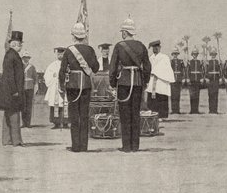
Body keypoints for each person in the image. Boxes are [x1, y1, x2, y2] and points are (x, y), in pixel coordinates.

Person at [109, 17, 151, 152]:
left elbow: (113, 68)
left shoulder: (119, 46)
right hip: (138, 82)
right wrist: (144, 81)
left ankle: (126, 146)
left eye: (122, 31)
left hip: (124, 83)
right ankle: (135, 146)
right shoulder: (142, 46)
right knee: (135, 114)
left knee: (125, 114)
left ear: (125, 33)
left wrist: (113, 83)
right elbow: (147, 68)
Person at [58, 23, 99, 152]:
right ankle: (84, 146)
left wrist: (61, 86)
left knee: (74, 116)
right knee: (85, 115)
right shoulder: (90, 50)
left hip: (73, 86)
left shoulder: (69, 51)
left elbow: (62, 70)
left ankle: (76, 146)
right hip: (86, 85)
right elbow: (96, 68)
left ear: (73, 36)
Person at [0, 31, 26, 146]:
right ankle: (16, 140)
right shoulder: (12, 55)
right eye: (20, 44)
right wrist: (14, 91)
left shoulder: (10, 55)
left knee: (8, 114)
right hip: (12, 92)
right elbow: (10, 75)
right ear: (14, 44)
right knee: (14, 115)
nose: (21, 46)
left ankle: (7, 139)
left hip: (8, 92)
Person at [146, 40, 175, 120]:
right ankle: (153, 114)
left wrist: (156, 72)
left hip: (161, 80)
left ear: (160, 48)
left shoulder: (164, 57)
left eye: (157, 47)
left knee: (161, 97)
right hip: (152, 80)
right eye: (154, 47)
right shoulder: (151, 58)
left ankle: (162, 115)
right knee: (152, 97)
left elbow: (166, 69)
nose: (155, 49)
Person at [44, 47, 69, 129]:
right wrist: (53, 77)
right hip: (55, 87)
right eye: (59, 54)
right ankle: (56, 123)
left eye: (62, 54)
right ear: (56, 54)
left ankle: (65, 123)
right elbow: (47, 75)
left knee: (65, 104)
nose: (60, 55)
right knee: (55, 104)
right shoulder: (52, 65)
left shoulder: (68, 64)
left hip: (65, 86)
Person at [21, 50, 37, 128]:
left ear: (29, 58)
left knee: (29, 106)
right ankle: (24, 123)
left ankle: (28, 123)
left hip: (30, 87)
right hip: (22, 88)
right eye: (24, 57)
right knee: (23, 105)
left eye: (27, 58)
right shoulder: (19, 66)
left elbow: (35, 78)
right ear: (22, 58)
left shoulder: (32, 67)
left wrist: (36, 86)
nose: (26, 59)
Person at [206, 47, 222, 114]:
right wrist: (206, 77)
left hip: (216, 80)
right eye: (212, 54)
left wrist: (221, 77)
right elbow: (206, 70)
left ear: (216, 54)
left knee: (215, 95)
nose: (213, 55)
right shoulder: (208, 62)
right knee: (210, 95)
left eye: (214, 54)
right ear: (210, 54)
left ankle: (215, 110)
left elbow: (221, 70)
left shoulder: (218, 62)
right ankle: (211, 110)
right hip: (210, 80)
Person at [188, 46, 204, 114]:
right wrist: (188, 78)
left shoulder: (199, 62)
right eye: (194, 54)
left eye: (196, 54)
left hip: (197, 80)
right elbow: (187, 71)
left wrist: (202, 78)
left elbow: (202, 71)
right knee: (192, 96)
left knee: (197, 96)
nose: (195, 55)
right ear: (192, 54)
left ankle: (196, 110)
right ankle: (192, 110)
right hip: (191, 81)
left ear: (197, 55)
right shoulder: (190, 62)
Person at [170, 46, 185, 114]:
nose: (175, 55)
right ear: (172, 54)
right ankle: (173, 110)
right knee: (173, 96)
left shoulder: (181, 61)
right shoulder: (170, 62)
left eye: (176, 54)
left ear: (178, 54)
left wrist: (183, 78)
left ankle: (177, 110)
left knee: (178, 95)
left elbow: (183, 70)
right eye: (174, 54)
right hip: (172, 79)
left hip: (178, 79)